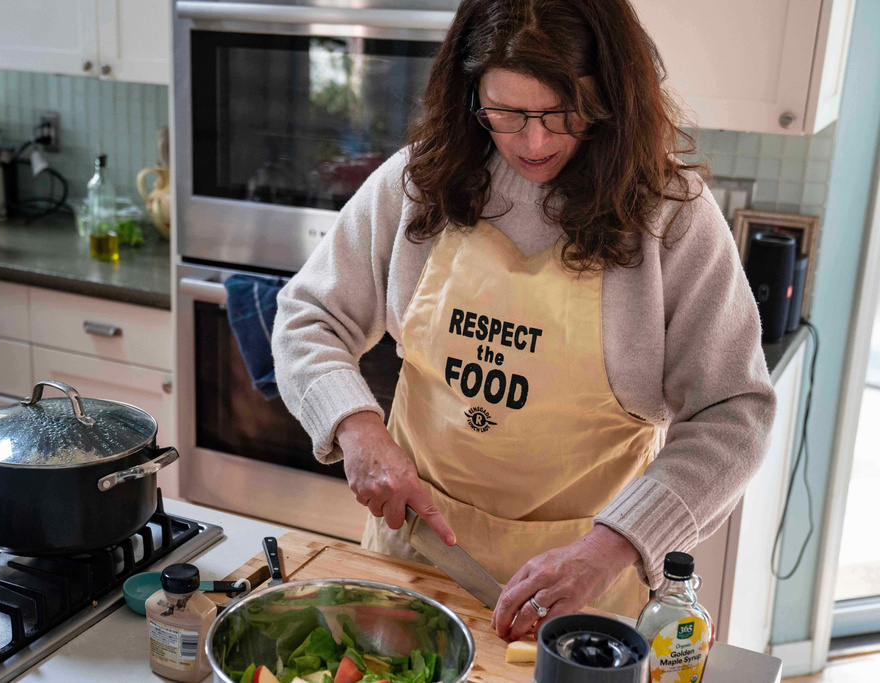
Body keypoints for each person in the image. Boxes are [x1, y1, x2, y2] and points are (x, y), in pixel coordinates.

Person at [271, 0, 776, 642]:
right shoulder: (419, 184)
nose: (533, 143)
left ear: (611, 95)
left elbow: (734, 414)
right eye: (505, 113)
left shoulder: (671, 219)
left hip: (581, 589)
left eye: (563, 112)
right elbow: (306, 317)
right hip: (413, 566)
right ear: (469, 95)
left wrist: (617, 544)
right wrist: (358, 429)